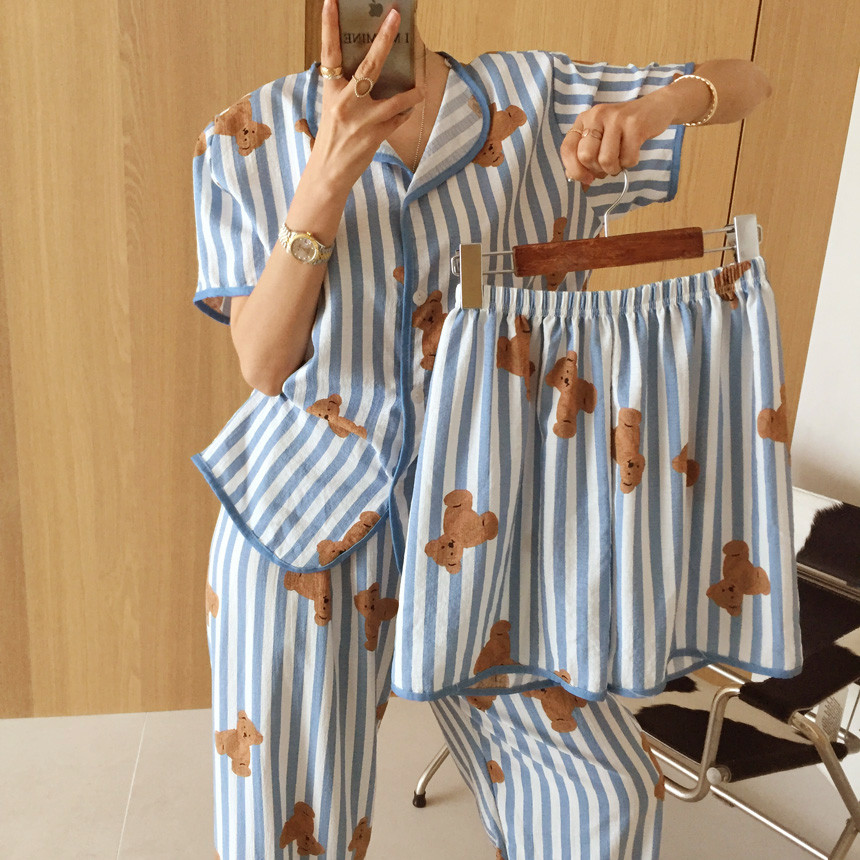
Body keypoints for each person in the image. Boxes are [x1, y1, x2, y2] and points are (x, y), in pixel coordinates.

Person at [192, 1, 791, 857]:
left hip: (497, 522)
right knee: (283, 831)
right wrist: (325, 178)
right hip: (301, 516)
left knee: (601, 798)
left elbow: (748, 82)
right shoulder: (243, 138)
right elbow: (263, 363)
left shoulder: (539, 98)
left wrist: (655, 109)